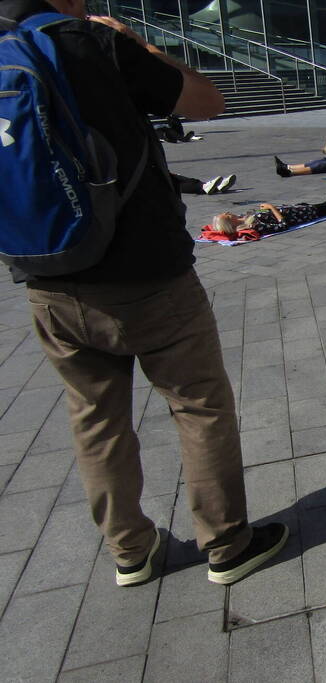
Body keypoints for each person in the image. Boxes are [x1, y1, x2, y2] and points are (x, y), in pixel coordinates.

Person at [1, 0, 287, 586]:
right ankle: (228, 543)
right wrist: (142, 46)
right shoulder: (91, 42)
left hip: (46, 276)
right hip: (147, 275)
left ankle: (130, 552)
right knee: (198, 404)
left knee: (95, 419)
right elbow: (207, 100)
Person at [206, 190, 326, 239]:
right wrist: (271, 207)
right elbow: (282, 226)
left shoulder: (243, 216)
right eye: (226, 215)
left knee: (320, 206)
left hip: (294, 209)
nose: (228, 212)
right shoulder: (252, 225)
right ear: (230, 222)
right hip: (298, 216)